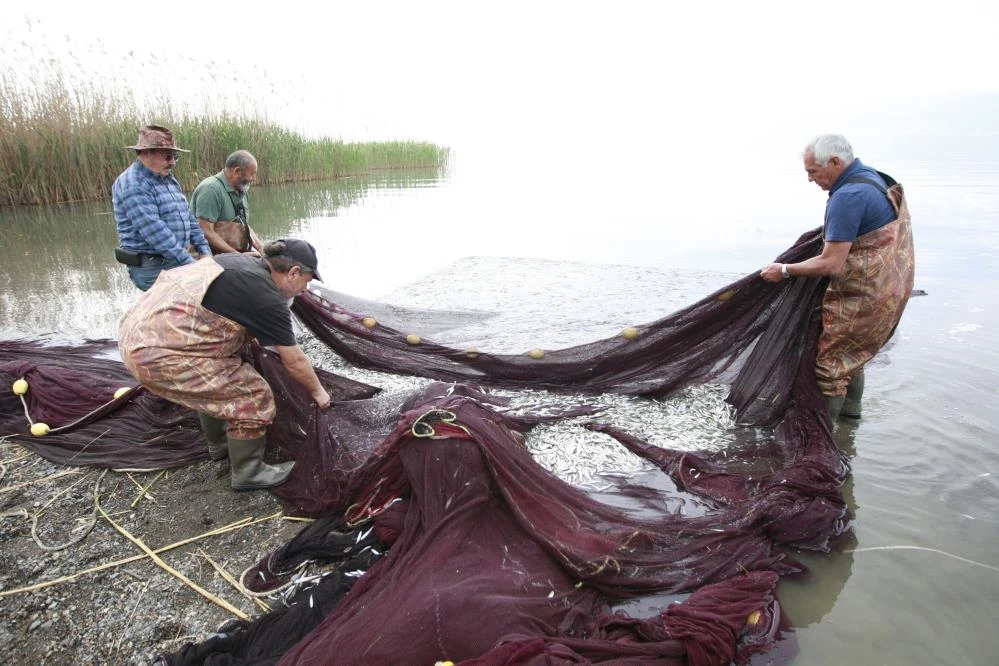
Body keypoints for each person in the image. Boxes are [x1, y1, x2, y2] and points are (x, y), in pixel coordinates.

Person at [118, 238, 332, 490]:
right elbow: (294, 360)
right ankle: (249, 472)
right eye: (306, 282)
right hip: (157, 354)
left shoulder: (240, 261)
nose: (303, 290)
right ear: (293, 272)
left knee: (219, 383)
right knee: (253, 394)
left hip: (133, 333)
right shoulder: (267, 298)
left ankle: (219, 445)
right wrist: (319, 393)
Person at [761, 134, 915, 421]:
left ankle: (825, 443)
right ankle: (850, 422)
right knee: (852, 358)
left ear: (835, 162)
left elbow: (831, 263)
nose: (810, 180)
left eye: (813, 172)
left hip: (862, 296)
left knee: (830, 368)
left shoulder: (848, 196)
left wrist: (783, 270)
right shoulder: (874, 179)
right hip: (890, 291)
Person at [112, 125, 212, 290]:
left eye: (175, 156)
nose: (172, 162)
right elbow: (156, 233)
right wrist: (192, 266)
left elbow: (188, 219)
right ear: (146, 153)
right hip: (153, 267)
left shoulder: (168, 179)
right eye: (167, 156)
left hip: (178, 259)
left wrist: (205, 251)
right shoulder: (133, 184)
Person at [190, 149, 264, 255]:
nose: (254, 179)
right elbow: (205, 231)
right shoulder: (211, 189)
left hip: (232, 253)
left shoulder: (242, 189)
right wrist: (238, 257)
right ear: (237, 171)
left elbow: (243, 225)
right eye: (252, 174)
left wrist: (262, 249)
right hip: (207, 256)